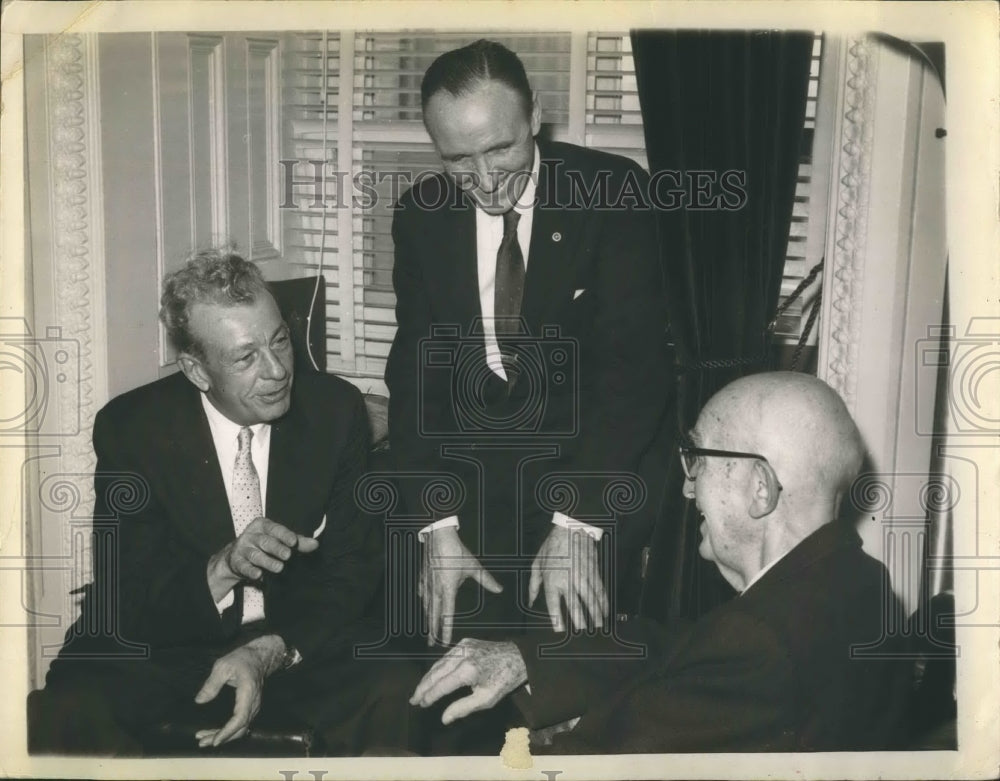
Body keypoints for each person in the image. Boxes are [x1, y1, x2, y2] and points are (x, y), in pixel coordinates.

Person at [28, 250, 416, 756]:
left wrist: (270, 652)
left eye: (280, 341)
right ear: (196, 370)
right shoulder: (133, 429)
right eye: (246, 356)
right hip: (173, 641)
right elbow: (130, 592)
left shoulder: (334, 410)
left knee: (398, 683)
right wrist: (224, 566)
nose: (277, 371)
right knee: (70, 706)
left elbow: (352, 570)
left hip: (294, 639)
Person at [410, 372, 913, 752]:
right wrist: (526, 659)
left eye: (699, 460)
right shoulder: (857, 583)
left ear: (760, 488)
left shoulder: (759, 645)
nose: (688, 486)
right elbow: (682, 648)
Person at [385, 39, 670, 652]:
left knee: (560, 667)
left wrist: (577, 522)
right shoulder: (420, 217)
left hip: (595, 467)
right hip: (476, 483)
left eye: (500, 149)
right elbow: (414, 380)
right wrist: (435, 526)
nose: (485, 182)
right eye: (458, 160)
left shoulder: (613, 193)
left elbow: (634, 377)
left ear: (535, 116)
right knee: (457, 665)